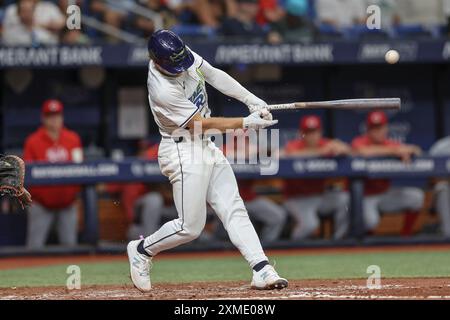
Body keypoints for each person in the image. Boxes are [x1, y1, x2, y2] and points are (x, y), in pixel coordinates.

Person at [127, 29, 287, 292]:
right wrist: (245, 122)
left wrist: (251, 100)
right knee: (190, 227)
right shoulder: (161, 89)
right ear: (157, 61)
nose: (181, 68)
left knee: (233, 207)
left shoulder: (181, 55)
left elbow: (213, 74)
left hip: (205, 146)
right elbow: (199, 125)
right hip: (182, 149)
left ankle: (262, 269)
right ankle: (142, 250)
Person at [351, 111, 425, 235]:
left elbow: (416, 150)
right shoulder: (360, 142)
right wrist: (393, 151)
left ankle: (405, 237)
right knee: (371, 222)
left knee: (416, 197)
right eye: (374, 128)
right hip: (365, 197)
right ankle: (364, 245)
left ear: (386, 128)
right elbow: (362, 151)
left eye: (380, 127)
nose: (377, 131)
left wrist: (409, 150)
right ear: (368, 130)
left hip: (385, 194)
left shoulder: (390, 144)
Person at [23, 99, 83, 249]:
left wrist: (76, 197)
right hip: (41, 205)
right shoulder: (33, 141)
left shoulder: (73, 139)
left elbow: (81, 169)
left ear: (62, 116)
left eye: (57, 115)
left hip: (68, 204)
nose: (54, 119)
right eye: (50, 115)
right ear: (44, 118)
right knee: (34, 249)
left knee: (70, 249)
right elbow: (27, 174)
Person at [282, 115, 351, 240]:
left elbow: (347, 150)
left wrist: (340, 147)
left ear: (320, 132)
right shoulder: (294, 146)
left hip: (320, 196)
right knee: (310, 225)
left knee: (345, 199)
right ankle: (293, 247)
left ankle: (339, 241)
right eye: (308, 132)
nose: (312, 136)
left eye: (315, 132)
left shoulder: (324, 144)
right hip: (296, 198)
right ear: (302, 133)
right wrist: (321, 152)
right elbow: (289, 154)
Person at [222, 131, 287, 243]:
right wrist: (246, 154)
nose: (244, 142)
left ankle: (266, 246)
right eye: (240, 140)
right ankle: (218, 250)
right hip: (225, 201)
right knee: (222, 230)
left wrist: (260, 151)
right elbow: (224, 154)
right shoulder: (222, 150)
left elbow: (280, 153)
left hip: (249, 199)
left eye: (246, 140)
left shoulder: (253, 150)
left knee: (278, 215)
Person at [429, 136, 450, 238]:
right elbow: (432, 177)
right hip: (448, 187)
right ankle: (448, 234)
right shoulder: (442, 147)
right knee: (441, 187)